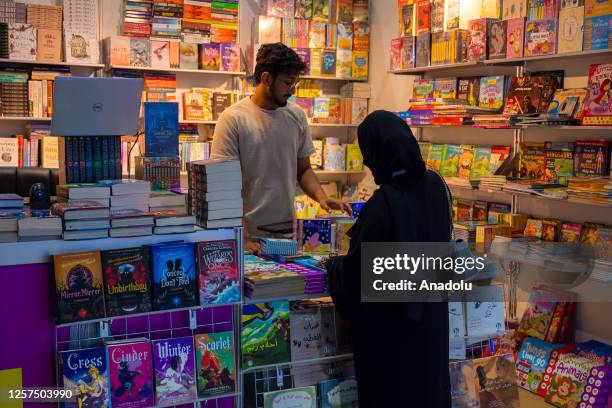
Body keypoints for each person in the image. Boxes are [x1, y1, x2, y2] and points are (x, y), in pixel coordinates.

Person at [326, 110, 452, 407]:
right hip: (431, 327)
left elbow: (357, 280)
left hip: (391, 336)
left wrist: (332, 266)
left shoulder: (382, 207)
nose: (368, 162)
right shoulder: (436, 187)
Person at [211, 43, 351, 251]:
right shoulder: (233, 119)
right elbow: (225, 186)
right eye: (287, 82)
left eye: (294, 82)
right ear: (266, 79)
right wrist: (245, 238)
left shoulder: (296, 116)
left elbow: (303, 169)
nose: (292, 89)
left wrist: (322, 198)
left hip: (288, 234)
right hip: (248, 237)